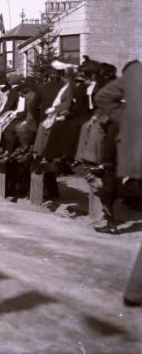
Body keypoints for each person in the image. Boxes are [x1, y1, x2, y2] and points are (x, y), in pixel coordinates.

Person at [95, 60, 142, 307]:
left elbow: (104, 97)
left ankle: (135, 291)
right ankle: (135, 291)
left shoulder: (136, 74)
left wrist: (129, 120)